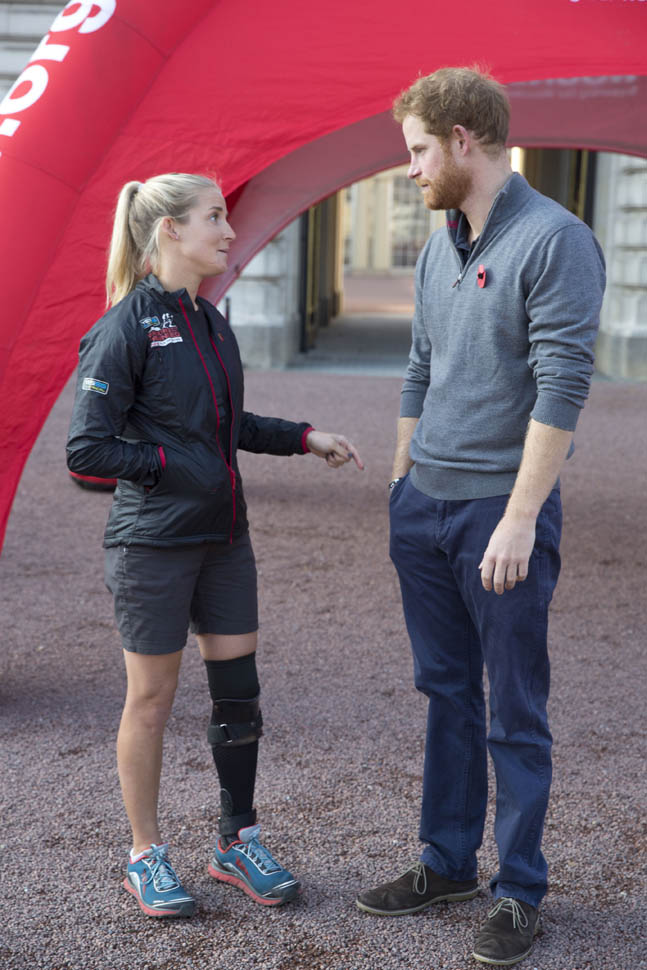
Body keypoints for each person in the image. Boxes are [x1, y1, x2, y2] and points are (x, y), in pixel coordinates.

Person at [355, 69, 605, 966]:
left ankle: (519, 889)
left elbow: (561, 386)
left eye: (419, 149)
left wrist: (519, 516)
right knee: (446, 694)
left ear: (463, 138)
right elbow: (420, 365)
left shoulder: (555, 239)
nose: (411, 168)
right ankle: (447, 863)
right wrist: (401, 476)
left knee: (514, 708)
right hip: (423, 508)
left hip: (501, 514)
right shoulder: (440, 246)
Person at [67, 173, 363, 919]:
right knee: (151, 700)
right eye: (214, 217)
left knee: (239, 696)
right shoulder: (125, 327)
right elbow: (86, 450)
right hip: (153, 546)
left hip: (225, 540)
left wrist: (303, 437)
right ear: (169, 229)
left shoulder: (210, 321)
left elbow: (227, 426)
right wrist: (173, 465)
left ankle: (237, 840)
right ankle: (145, 855)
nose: (228, 231)